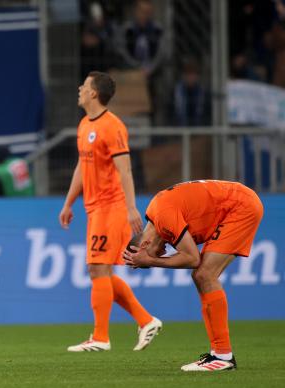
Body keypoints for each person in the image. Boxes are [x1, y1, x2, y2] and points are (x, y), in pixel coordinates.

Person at [59, 71, 162, 352]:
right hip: (95, 208)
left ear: (93, 93)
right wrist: (69, 202)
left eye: (84, 85)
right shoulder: (84, 125)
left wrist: (131, 208)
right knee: (99, 269)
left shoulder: (112, 126)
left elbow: (125, 169)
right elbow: (82, 166)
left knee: (97, 267)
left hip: (112, 206)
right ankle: (146, 321)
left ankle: (101, 337)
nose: (80, 88)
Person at [124, 180, 264, 371]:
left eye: (156, 253)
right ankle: (219, 354)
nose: (162, 253)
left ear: (145, 245)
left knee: (205, 274)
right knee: (201, 276)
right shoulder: (158, 215)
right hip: (237, 202)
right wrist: (149, 259)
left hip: (240, 206)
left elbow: (192, 258)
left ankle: (223, 356)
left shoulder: (163, 218)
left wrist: (150, 261)